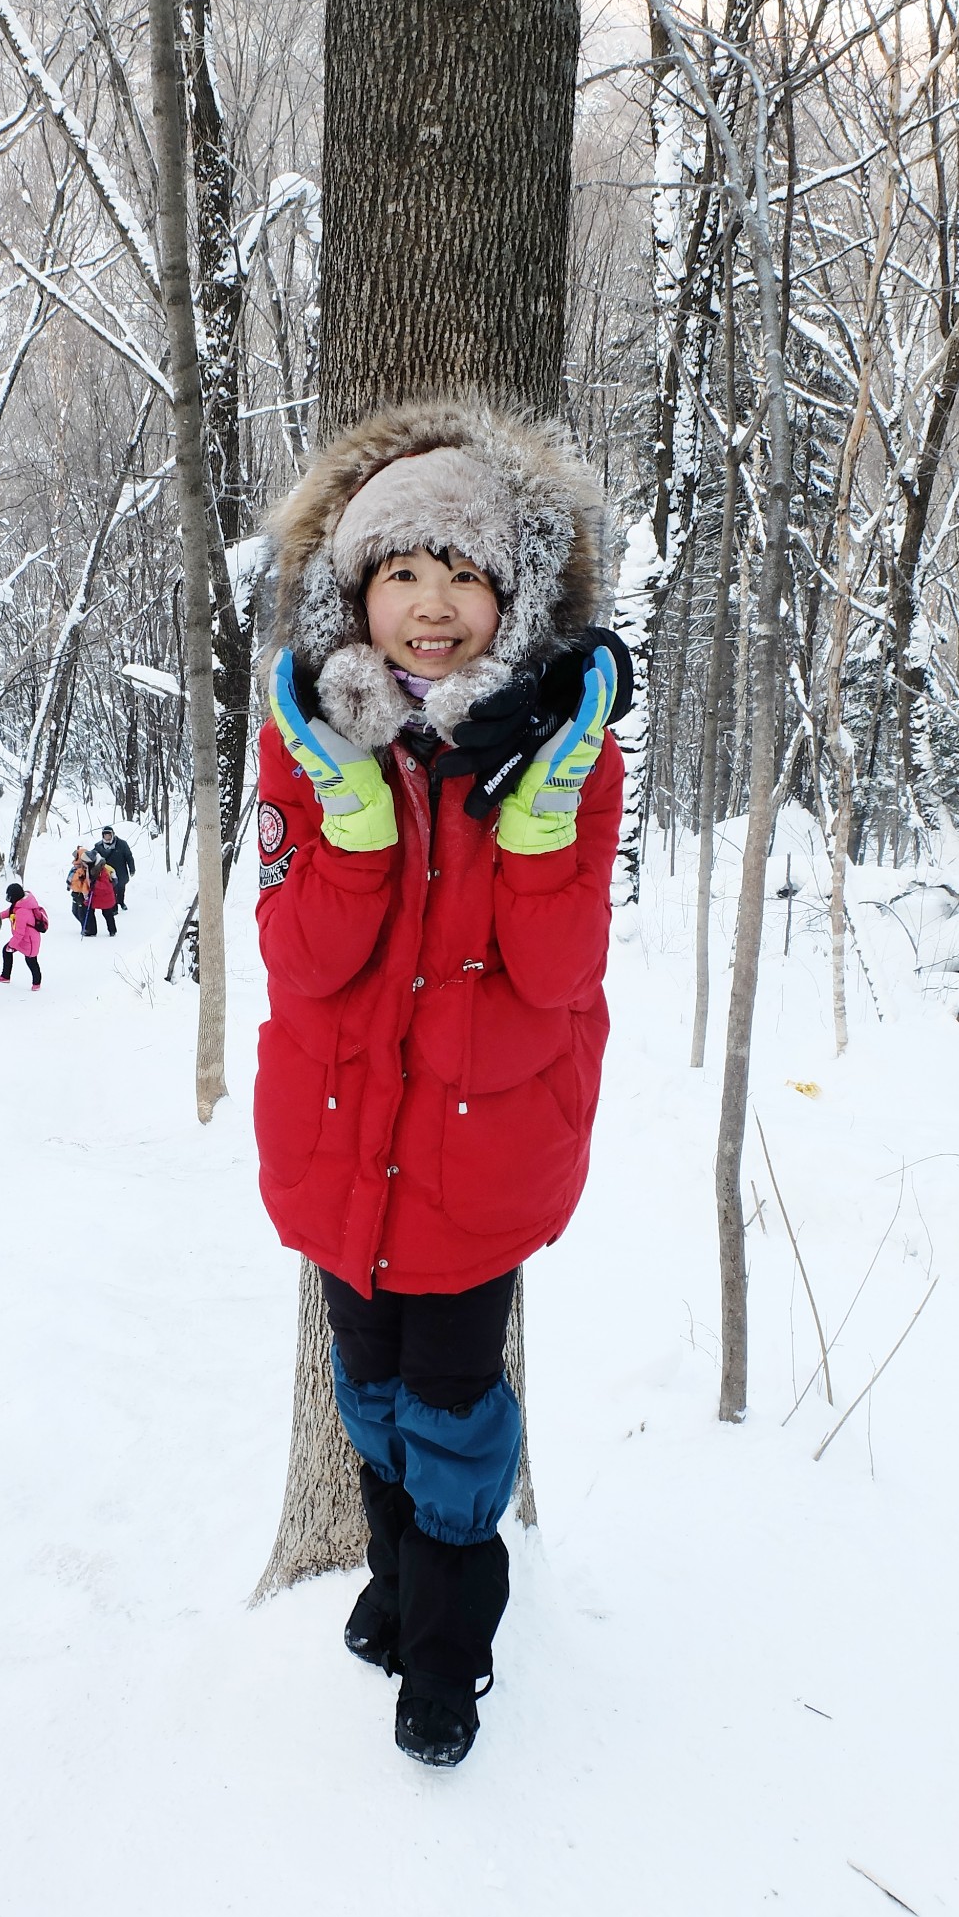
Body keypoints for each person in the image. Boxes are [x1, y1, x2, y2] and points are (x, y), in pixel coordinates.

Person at [253, 401, 631, 1768]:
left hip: (479, 1166)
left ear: (510, 595)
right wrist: (349, 826)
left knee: (456, 1415)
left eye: (463, 573)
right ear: (355, 592)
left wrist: (538, 822)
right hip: (343, 1153)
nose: (431, 604)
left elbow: (557, 972)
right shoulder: (307, 739)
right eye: (402, 571)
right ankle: (395, 1581)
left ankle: (448, 1649)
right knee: (367, 1392)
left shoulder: (562, 753)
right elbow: (300, 962)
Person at [0, 881, 48, 988]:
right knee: (6, 951)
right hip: (21, 939)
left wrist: (11, 945)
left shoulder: (22, 911)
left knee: (31, 961)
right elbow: (7, 913)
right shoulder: (17, 905)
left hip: (30, 941)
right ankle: (5, 976)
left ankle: (36, 984)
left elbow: (19, 933)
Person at [97, 824, 136, 910]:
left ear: (112, 834)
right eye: (105, 835)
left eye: (109, 835)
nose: (107, 837)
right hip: (107, 873)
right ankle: (113, 907)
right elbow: (93, 857)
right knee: (111, 890)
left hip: (121, 871)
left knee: (121, 888)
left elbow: (129, 857)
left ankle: (121, 902)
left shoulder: (122, 844)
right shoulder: (98, 846)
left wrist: (132, 868)